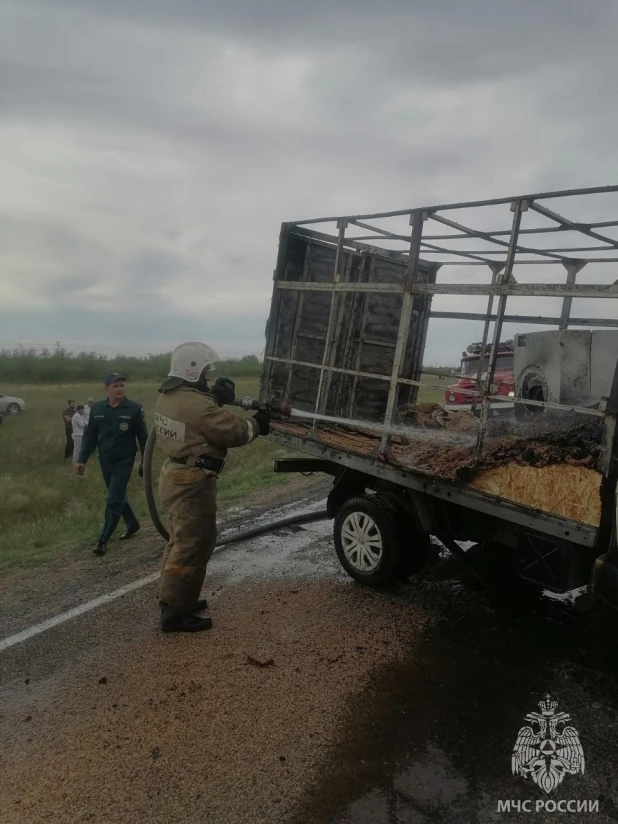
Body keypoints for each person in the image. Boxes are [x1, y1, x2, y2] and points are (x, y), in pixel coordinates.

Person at [154, 341, 270, 633]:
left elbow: (195, 418)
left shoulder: (169, 396)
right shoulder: (197, 405)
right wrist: (258, 423)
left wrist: (214, 398)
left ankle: (175, 599)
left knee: (179, 540)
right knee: (194, 543)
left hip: (174, 475)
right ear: (191, 371)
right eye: (206, 372)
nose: (209, 377)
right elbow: (235, 432)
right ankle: (176, 615)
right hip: (193, 481)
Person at [75, 373, 148, 556]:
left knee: (113, 499)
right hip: (105, 459)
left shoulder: (134, 409)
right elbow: (90, 436)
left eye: (122, 385)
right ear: (106, 387)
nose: (120, 389)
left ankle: (103, 540)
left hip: (124, 460)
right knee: (116, 496)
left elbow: (144, 438)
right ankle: (132, 523)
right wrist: (82, 459)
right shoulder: (98, 408)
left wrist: (144, 462)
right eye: (116, 386)